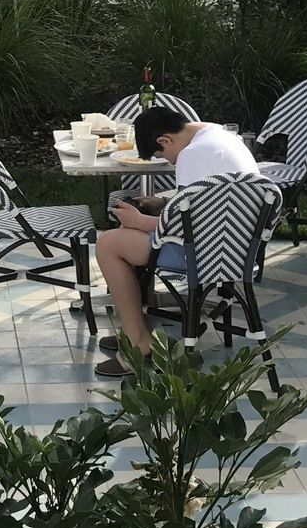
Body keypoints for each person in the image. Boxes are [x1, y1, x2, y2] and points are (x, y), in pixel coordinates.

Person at [92, 106, 257, 380]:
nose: (168, 162)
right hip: (236, 247)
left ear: (164, 140)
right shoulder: (218, 135)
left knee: (109, 244)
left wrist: (137, 221)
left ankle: (137, 343)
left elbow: (186, 227)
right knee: (124, 237)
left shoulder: (192, 154)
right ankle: (136, 328)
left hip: (204, 253)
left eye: (162, 154)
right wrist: (165, 204)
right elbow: (208, 205)